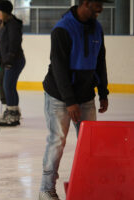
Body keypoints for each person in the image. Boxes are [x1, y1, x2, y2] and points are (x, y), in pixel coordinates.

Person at [39, 0, 110, 199]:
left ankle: (87, 184)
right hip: (59, 96)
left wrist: (103, 92)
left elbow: (100, 61)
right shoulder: (62, 29)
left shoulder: (97, 28)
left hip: (86, 95)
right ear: (85, 2)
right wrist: (70, 101)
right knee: (57, 141)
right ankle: (46, 189)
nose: (101, 9)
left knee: (89, 143)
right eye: (97, 5)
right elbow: (59, 68)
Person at [0, 0, 26, 126]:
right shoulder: (6, 23)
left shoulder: (12, 24)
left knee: (8, 86)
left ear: (4, 12)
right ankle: (12, 111)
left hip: (14, 60)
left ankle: (12, 114)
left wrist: (9, 60)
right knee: (9, 86)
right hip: (10, 60)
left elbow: (14, 44)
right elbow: (4, 44)